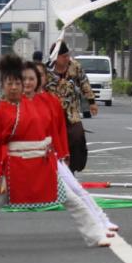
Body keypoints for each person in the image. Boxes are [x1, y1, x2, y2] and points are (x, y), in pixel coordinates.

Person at [0, 53, 109, 252]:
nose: (16, 86)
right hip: (14, 170)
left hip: (43, 166)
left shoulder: (41, 102)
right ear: (3, 86)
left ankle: (95, 236)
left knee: (74, 202)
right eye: (10, 83)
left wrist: (61, 155)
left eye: (19, 82)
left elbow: (54, 132)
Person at [22, 60, 116, 235]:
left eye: (36, 77)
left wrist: (63, 153)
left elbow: (57, 132)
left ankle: (101, 222)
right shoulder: (15, 104)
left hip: (48, 157)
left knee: (75, 192)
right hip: (19, 161)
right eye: (25, 78)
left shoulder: (50, 101)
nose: (30, 82)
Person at [46, 41, 96, 173]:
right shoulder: (45, 71)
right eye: (64, 56)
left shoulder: (75, 66)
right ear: (55, 57)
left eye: (68, 55)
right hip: (51, 114)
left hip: (71, 111)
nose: (67, 59)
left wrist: (91, 102)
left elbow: (84, 82)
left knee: (77, 136)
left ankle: (73, 167)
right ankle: (54, 168)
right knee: (54, 142)